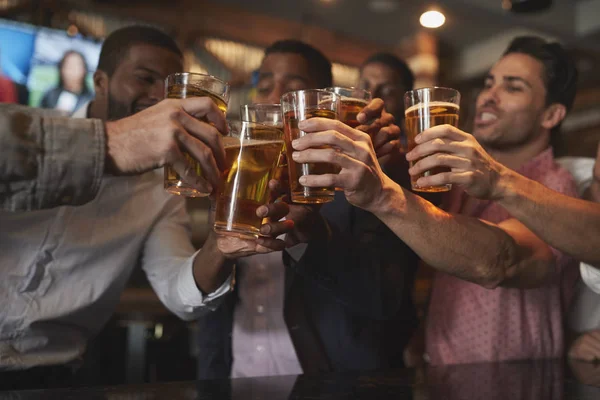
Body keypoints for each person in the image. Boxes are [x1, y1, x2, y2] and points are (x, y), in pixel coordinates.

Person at [0, 26, 289, 390]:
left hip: (54, 379)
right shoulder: (25, 128)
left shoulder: (161, 190)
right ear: (101, 81)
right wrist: (113, 145)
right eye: (145, 79)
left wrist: (220, 246)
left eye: (170, 87)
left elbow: (177, 291)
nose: (161, 98)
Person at [292, 35, 580, 365]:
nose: (489, 97)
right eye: (489, 83)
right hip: (439, 375)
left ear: (551, 115)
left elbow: (499, 262)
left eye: (513, 87)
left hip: (513, 383)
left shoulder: (556, 186)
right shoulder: (459, 183)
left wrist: (382, 194)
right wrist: (382, 157)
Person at [195, 39, 419, 379]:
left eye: (293, 89)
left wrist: (313, 235)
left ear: (321, 105)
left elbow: (384, 297)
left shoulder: (359, 180)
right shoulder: (237, 171)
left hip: (331, 385)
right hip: (237, 379)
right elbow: (211, 305)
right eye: (266, 84)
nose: (274, 96)